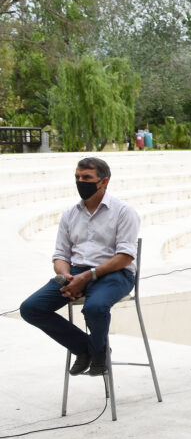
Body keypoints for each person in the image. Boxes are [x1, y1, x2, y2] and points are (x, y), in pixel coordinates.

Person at [20, 158, 140, 377]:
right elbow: (60, 256)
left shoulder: (124, 212)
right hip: (76, 272)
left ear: (104, 182)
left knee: (94, 308)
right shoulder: (70, 214)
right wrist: (66, 276)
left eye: (86, 178)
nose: (80, 181)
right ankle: (90, 350)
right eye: (77, 177)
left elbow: (124, 257)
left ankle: (96, 355)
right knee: (31, 308)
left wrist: (87, 276)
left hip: (115, 274)